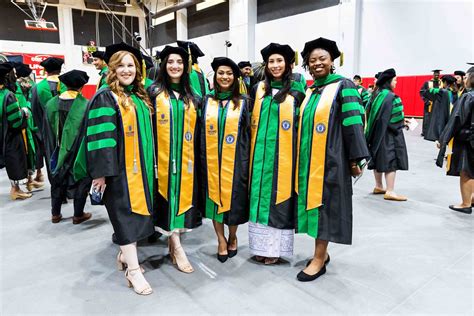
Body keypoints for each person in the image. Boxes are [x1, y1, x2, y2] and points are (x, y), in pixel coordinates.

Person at [74, 42, 155, 295]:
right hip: (117, 172)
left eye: (131, 65)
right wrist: (100, 174)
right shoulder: (105, 97)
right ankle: (133, 271)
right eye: (121, 66)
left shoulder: (139, 97)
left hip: (140, 169)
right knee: (124, 218)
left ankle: (124, 256)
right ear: (112, 69)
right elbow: (100, 138)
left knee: (136, 217)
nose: (127, 70)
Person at [294, 38, 369, 282]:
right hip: (310, 161)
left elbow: (353, 122)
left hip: (332, 161)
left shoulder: (342, 86)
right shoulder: (311, 90)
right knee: (316, 207)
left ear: (332, 61)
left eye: (322, 59)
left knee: (325, 208)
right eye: (312, 60)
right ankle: (320, 253)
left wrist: (355, 158)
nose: (317, 63)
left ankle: (318, 258)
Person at [248, 43, 305, 265]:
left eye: (279, 60)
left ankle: (274, 250)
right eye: (271, 61)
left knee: (278, 199)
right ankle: (259, 247)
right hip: (260, 156)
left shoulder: (298, 92)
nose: (275, 65)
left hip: (284, 157)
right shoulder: (258, 90)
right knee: (260, 198)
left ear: (288, 64)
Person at [152, 45, 202, 273]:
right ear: (163, 65)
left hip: (186, 164)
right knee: (165, 202)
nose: (175, 66)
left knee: (180, 201)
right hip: (160, 164)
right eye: (170, 62)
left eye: (180, 62)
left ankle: (175, 244)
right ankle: (177, 247)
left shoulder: (193, 97)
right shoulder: (152, 93)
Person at [200, 57, 250, 263]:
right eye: (221, 73)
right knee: (213, 202)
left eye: (229, 73)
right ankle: (220, 240)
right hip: (210, 161)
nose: (225, 77)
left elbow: (248, 134)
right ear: (215, 76)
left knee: (234, 202)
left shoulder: (245, 102)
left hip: (236, 161)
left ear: (236, 77)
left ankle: (233, 236)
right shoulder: (206, 100)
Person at [44, 70, 92, 224]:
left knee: (58, 178)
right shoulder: (86, 105)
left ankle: (55, 214)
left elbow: (47, 129)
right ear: (82, 86)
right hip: (78, 150)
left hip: (58, 148)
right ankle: (78, 215)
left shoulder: (51, 103)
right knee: (81, 179)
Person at [365, 68, 409, 201]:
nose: (396, 83)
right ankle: (390, 191)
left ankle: (379, 186)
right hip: (389, 135)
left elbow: (368, 112)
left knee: (378, 157)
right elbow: (395, 119)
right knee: (391, 161)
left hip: (375, 134)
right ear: (389, 81)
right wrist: (403, 122)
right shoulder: (392, 97)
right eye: (395, 80)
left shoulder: (375, 95)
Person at [436, 67, 474, 214]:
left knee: (466, 171)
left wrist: (444, 138)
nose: (464, 79)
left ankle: (465, 204)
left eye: (466, 77)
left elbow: (456, 120)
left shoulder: (468, 96)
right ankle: (472, 198)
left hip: (467, 139)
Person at [30, 57, 66, 181]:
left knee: (52, 158)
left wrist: (41, 133)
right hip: (68, 132)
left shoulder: (36, 88)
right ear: (60, 69)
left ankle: (57, 191)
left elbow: (34, 112)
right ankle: (69, 190)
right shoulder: (68, 85)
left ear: (45, 70)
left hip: (47, 133)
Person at [0, 62, 32, 200]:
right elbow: (16, 121)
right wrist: (24, 111)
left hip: (2, 134)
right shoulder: (8, 95)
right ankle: (15, 189)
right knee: (15, 161)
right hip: (11, 135)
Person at [13, 62, 43, 192]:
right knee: (27, 152)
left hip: (29, 123)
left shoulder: (21, 86)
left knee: (32, 151)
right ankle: (26, 182)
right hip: (25, 124)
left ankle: (32, 179)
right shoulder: (18, 88)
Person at [424, 75, 456, 142]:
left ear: (445, 82)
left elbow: (427, 92)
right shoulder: (452, 93)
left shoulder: (442, 91)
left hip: (441, 114)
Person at [420, 69, 442, 137]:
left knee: (437, 118)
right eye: (435, 74)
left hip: (439, 104)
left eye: (438, 74)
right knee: (427, 118)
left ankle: (435, 133)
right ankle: (425, 132)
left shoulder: (441, 83)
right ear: (433, 74)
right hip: (429, 103)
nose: (437, 75)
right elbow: (422, 92)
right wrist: (426, 101)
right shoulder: (427, 83)